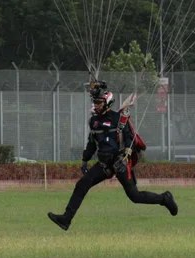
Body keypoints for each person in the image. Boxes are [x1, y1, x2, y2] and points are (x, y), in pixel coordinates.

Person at [47, 80, 178, 231]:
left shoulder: (119, 119)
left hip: (119, 162)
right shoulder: (94, 121)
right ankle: (66, 219)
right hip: (103, 164)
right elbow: (91, 143)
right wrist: (85, 159)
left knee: (135, 196)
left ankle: (164, 198)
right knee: (82, 184)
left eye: (98, 102)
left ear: (107, 102)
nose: (95, 104)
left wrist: (126, 158)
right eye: (94, 101)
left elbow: (130, 139)